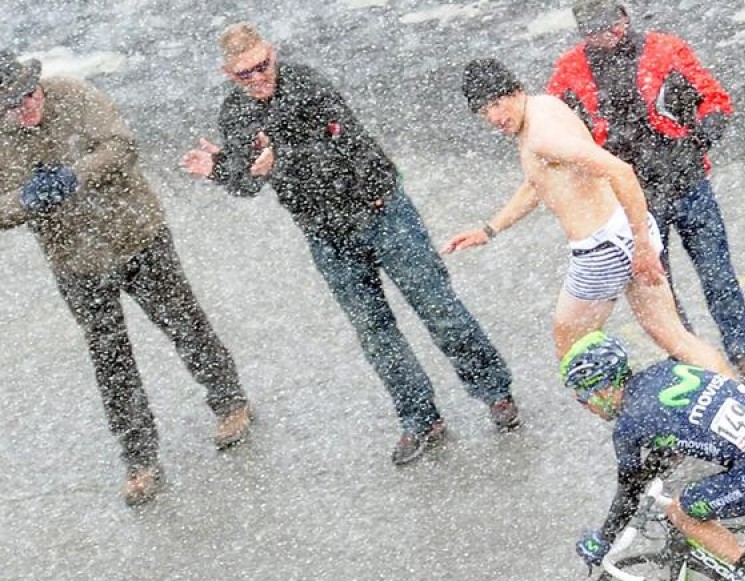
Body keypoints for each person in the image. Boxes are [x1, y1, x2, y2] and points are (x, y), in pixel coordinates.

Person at [181, 23, 519, 466]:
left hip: (382, 211)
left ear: (272, 53)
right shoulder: (236, 114)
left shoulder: (307, 84)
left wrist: (281, 153)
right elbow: (249, 182)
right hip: (327, 236)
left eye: (263, 66)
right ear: (230, 75)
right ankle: (420, 418)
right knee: (375, 333)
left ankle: (494, 392)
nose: (259, 77)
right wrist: (220, 169)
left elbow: (345, 150)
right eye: (246, 74)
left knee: (437, 307)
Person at [0, 51, 252, 506]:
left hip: (137, 235)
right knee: (110, 359)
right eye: (13, 103)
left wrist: (74, 177)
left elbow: (122, 146)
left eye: (29, 94)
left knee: (184, 323)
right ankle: (139, 459)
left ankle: (230, 401)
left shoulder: (74, 95)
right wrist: (26, 198)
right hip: (75, 262)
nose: (28, 105)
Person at [444, 58, 733, 381]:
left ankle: (631, 411)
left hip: (602, 250)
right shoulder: (546, 107)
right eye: (485, 112)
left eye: (497, 104)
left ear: (516, 90)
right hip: (621, 232)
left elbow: (619, 170)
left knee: (570, 350)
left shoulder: (541, 135)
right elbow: (537, 183)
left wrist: (643, 247)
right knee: (674, 336)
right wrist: (489, 229)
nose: (495, 117)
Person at [546, 0, 745, 391]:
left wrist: (698, 140)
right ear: (584, 34)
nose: (611, 35)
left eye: (614, 25)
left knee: (718, 275)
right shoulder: (569, 71)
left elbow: (715, 100)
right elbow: (554, 131)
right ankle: (694, 363)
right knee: (658, 290)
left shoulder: (665, 49)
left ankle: (744, 353)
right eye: (599, 31)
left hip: (689, 186)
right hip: (635, 201)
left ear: (625, 17)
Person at [561, 331, 745, 581]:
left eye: (582, 396)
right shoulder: (665, 371)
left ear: (601, 389)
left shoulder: (629, 424)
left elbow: (628, 491)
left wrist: (602, 539)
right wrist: (652, 470)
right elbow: (681, 430)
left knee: (680, 511)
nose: (584, 405)